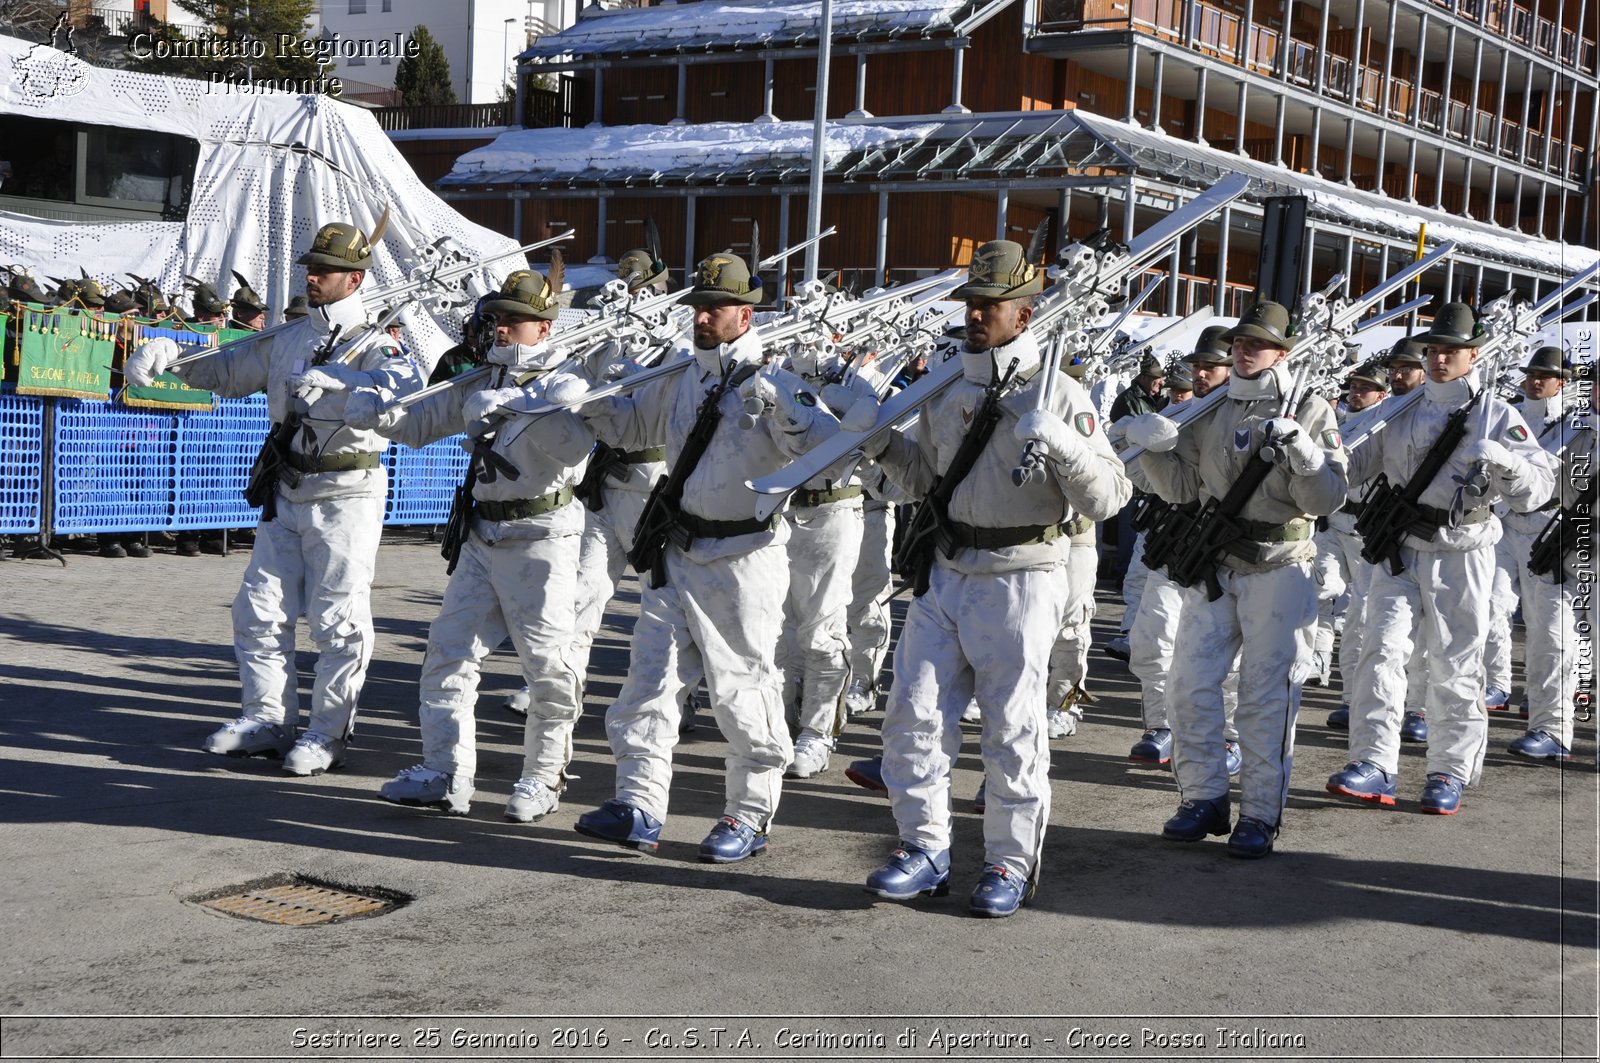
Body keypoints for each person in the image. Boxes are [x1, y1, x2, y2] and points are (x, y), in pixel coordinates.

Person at [853, 239, 1131, 916]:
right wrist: (880, 440)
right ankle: (924, 847)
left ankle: (1008, 861)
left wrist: (1066, 445)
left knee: (1011, 730)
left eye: (992, 305)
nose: (977, 315)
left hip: (1023, 575)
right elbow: (929, 481)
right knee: (911, 718)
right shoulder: (946, 385)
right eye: (973, 303)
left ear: (1025, 314)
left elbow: (1110, 497)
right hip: (948, 570)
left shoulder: (1061, 392)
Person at [123, 220, 422, 776]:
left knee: (338, 618)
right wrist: (171, 351)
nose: (313, 276)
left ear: (355, 280)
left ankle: (329, 733)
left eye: (326, 270)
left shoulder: (376, 342)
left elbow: (409, 390)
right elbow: (228, 369)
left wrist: (349, 382)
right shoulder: (291, 337)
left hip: (347, 492)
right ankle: (265, 719)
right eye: (311, 267)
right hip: (288, 488)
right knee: (259, 611)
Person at [568, 251, 838, 862]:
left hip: (745, 556)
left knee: (743, 690)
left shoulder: (777, 381)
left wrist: (786, 417)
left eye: (716, 308)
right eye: (698, 306)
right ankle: (638, 805)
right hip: (679, 549)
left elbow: (828, 455)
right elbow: (635, 431)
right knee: (649, 683)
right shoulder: (681, 374)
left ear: (745, 312)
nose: (703, 317)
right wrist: (595, 400)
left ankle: (749, 815)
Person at [348, 267, 593, 818]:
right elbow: (419, 423)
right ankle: (445, 770)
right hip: (484, 536)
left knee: (549, 668)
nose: (502, 330)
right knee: (448, 654)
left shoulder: (563, 382)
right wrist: (373, 413)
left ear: (545, 329)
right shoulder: (479, 378)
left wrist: (522, 407)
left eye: (516, 321)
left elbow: (575, 449)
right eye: (498, 320)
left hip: (542, 539)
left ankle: (544, 777)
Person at [1125, 299, 1349, 858]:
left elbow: (1327, 498)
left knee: (1266, 695)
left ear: (1282, 352)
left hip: (1278, 565)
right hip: (1218, 565)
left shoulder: (1312, 409)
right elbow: (1180, 487)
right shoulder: (1213, 407)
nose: (1245, 351)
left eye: (1258, 344)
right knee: (1189, 684)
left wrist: (1303, 452)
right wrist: (1151, 449)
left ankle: (1259, 813)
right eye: (1241, 343)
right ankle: (1202, 796)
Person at [1326, 303, 1553, 814]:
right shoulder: (1397, 408)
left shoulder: (1497, 413)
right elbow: (1355, 466)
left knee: (1455, 663)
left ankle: (1448, 769)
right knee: (1379, 653)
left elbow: (1538, 487)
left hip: (1462, 550)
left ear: (1473, 355)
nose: (1438, 359)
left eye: (1450, 351)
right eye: (1432, 350)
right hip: (1400, 550)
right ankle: (1374, 762)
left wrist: (1510, 464)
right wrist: (1316, 453)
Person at [1497, 345, 1587, 760]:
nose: (1535, 381)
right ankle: (1496, 686)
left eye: (1544, 376)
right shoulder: (1510, 414)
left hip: (1551, 529)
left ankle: (1553, 727)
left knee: (1551, 632)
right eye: (1531, 374)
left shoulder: (1577, 422)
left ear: (1562, 383)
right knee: (1484, 611)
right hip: (1504, 523)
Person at [1318, 360, 1390, 730]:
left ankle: (1354, 698)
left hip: (1366, 532)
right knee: (1315, 590)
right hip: (1333, 523)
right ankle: (1318, 666)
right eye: (1354, 386)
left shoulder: (1386, 423)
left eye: (1366, 387)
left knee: (1360, 618)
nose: (1356, 392)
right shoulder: (1339, 421)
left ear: (1381, 393)